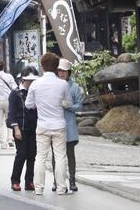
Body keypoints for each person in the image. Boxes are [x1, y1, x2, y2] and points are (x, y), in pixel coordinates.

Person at [25, 52, 69, 196]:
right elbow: (67, 103)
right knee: (61, 156)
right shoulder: (63, 84)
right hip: (59, 125)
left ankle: (38, 188)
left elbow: (28, 104)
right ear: (57, 67)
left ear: (42, 66)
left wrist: (39, 104)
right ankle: (61, 188)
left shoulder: (36, 84)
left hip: (43, 125)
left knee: (40, 157)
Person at [6, 69, 38, 192]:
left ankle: (29, 181)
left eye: (33, 81)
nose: (31, 83)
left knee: (32, 155)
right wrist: (16, 129)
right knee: (21, 154)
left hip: (34, 128)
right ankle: (15, 181)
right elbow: (12, 113)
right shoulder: (15, 93)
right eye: (29, 81)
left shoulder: (35, 92)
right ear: (23, 79)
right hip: (20, 127)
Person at [56, 58, 84, 193]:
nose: (61, 73)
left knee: (70, 154)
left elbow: (80, 106)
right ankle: (57, 181)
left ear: (69, 72)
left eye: (64, 71)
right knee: (56, 155)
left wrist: (70, 107)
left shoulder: (75, 87)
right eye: (59, 70)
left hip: (69, 125)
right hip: (55, 124)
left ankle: (72, 180)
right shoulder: (53, 85)